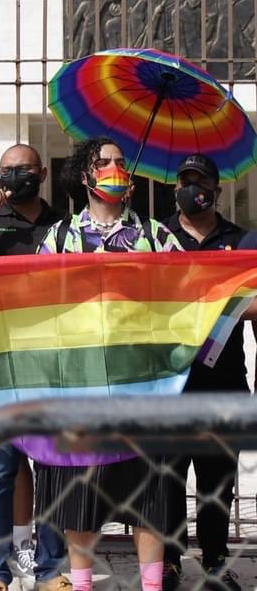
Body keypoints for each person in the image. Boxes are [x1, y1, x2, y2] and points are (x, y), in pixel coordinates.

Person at [36, 137, 181, 591]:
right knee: (80, 492)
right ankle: (82, 584)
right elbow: (39, 304)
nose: (115, 169)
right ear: (85, 176)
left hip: (144, 383)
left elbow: (188, 295)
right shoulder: (58, 238)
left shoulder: (157, 237)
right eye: (103, 163)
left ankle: (152, 585)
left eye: (121, 163)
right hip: (80, 385)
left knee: (150, 494)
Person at [0, 144, 67, 591]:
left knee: (54, 467)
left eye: (22, 169)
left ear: (42, 173)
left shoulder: (63, 225)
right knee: (0, 469)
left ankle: (51, 569)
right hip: (0, 360)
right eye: (5, 169)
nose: (12, 176)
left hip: (52, 360)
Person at [161, 154, 245, 591]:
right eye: (184, 180)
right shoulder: (159, 239)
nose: (191, 188)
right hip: (169, 380)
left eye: (199, 181)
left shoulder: (243, 240)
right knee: (168, 476)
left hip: (223, 381)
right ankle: (169, 561)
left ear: (215, 188)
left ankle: (214, 560)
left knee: (217, 479)